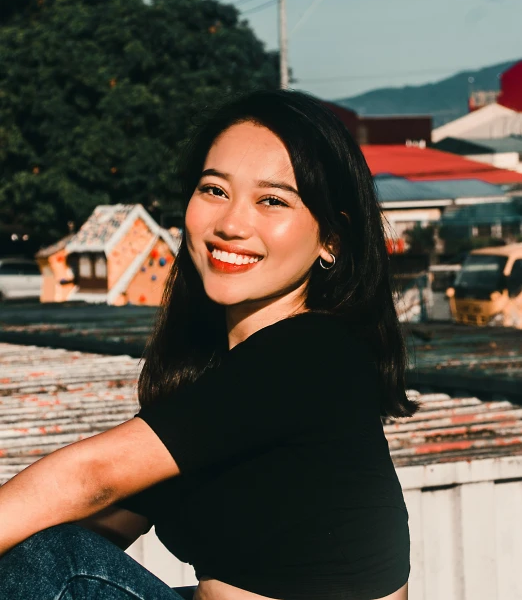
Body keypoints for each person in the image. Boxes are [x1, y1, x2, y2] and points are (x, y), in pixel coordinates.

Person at [0, 88, 418, 600]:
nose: (231, 224)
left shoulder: (314, 356)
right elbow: (106, 522)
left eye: (272, 201)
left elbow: (94, 477)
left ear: (332, 238)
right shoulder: (214, 382)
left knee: (49, 555)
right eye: (215, 190)